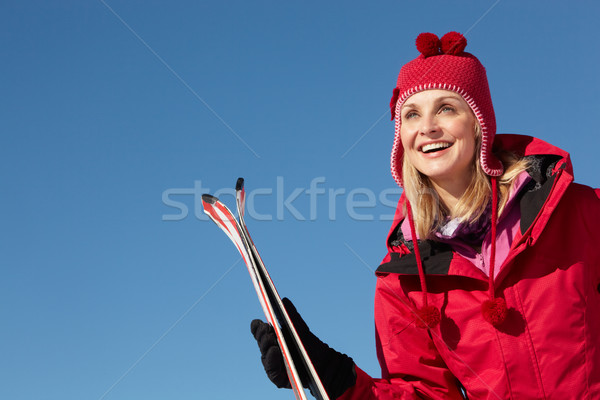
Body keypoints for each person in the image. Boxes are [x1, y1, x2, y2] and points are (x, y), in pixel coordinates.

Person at [250, 31, 600, 399]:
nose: (427, 127)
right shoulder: (403, 280)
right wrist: (331, 375)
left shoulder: (579, 212)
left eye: (446, 108)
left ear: (478, 123)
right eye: (411, 114)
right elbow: (424, 393)